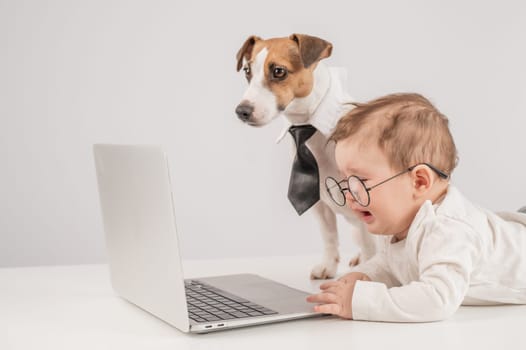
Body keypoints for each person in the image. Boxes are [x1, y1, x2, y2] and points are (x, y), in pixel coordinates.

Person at [306, 93, 526, 322]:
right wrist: (366, 276)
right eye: (344, 180)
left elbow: (437, 298)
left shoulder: (447, 230)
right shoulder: (403, 223)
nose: (349, 194)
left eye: (359, 181)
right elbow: (393, 263)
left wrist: (360, 302)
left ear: (419, 181)